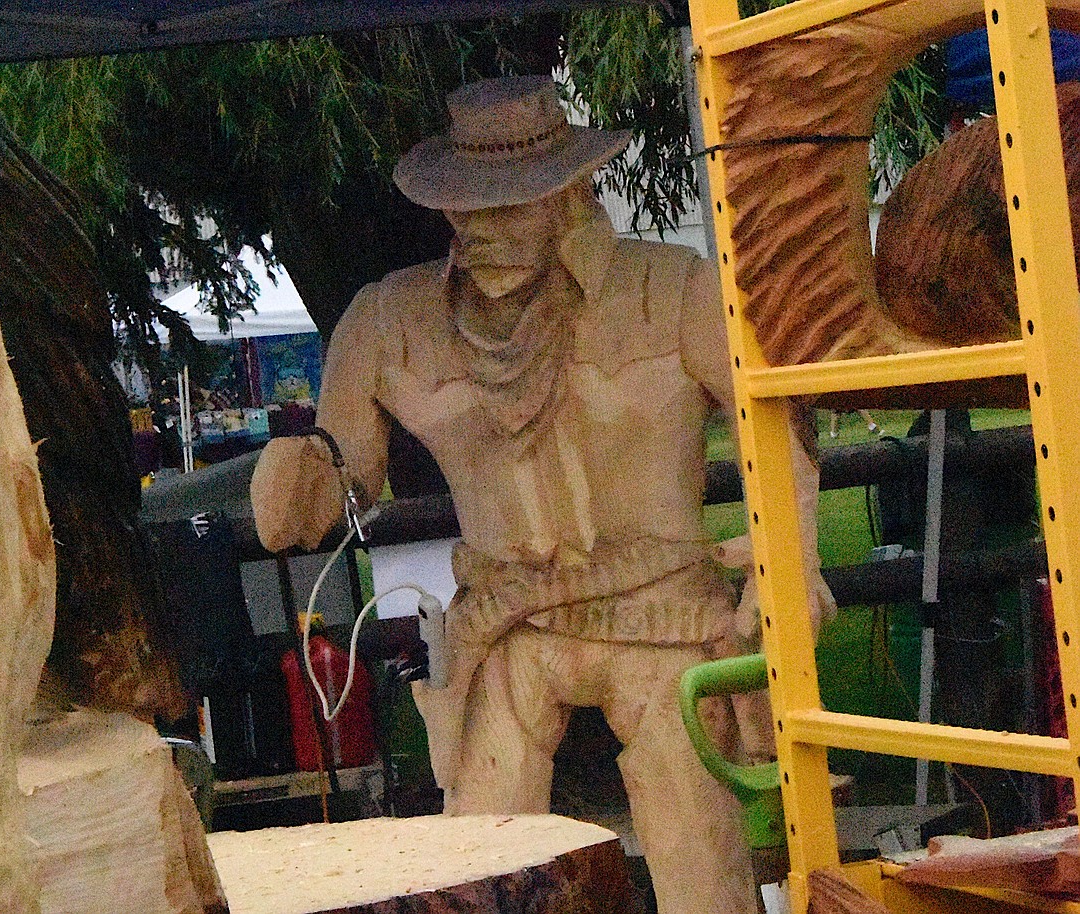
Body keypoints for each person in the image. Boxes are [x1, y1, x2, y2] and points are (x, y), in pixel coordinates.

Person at [251, 75, 832, 914]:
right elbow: (341, 480)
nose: (482, 230)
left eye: (508, 204)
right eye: (464, 206)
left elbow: (779, 431)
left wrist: (793, 558)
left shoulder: (674, 291)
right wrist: (300, 478)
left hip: (662, 613)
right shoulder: (388, 321)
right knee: (476, 863)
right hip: (507, 625)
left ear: (571, 189)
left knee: (697, 856)